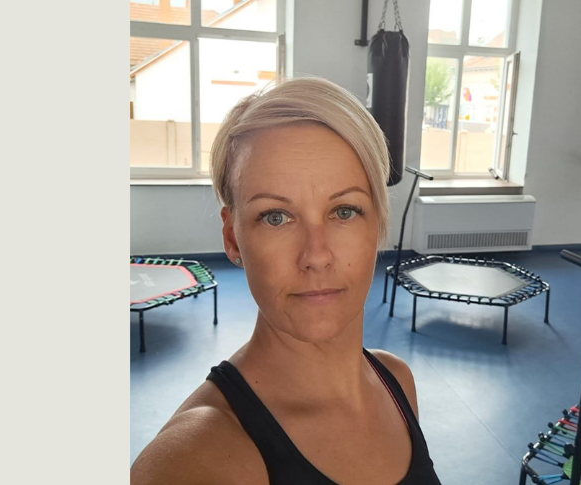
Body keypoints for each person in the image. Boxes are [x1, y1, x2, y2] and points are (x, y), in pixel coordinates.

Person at [130, 77, 441, 484]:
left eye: (345, 211)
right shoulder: (198, 454)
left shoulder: (396, 382)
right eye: (276, 217)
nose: (316, 255)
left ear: (378, 224)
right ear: (232, 237)